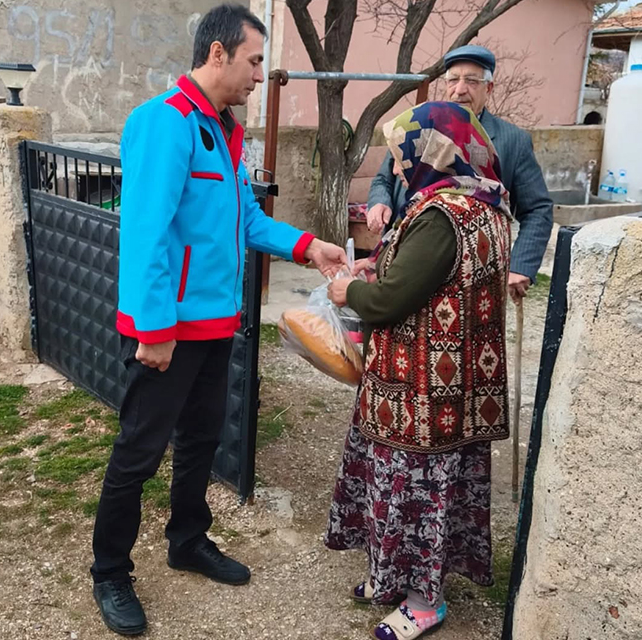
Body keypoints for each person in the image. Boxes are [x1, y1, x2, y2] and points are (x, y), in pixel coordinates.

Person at [90, 3, 348, 636]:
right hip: (167, 329)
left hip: (215, 323)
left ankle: (187, 540)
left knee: (203, 438)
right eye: (255, 60)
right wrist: (153, 331)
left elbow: (244, 220)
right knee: (139, 451)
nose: (261, 75)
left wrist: (306, 245)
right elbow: (146, 233)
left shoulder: (223, 130)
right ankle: (109, 571)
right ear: (218, 55)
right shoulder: (165, 123)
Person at [325, 101, 513, 640]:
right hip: (454, 385)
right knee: (423, 487)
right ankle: (393, 577)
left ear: (430, 151)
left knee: (416, 490)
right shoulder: (486, 202)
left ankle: (424, 601)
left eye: (403, 153)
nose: (400, 165)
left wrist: (349, 289)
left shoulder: (442, 214)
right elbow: (427, 276)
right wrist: (376, 265)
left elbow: (390, 301)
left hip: (423, 390)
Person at [363, 44, 552, 304]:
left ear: (489, 88)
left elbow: (538, 209)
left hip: (468, 280)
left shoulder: (512, 141)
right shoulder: (419, 127)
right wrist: (379, 201)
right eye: (453, 80)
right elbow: (386, 177)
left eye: (472, 81)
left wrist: (521, 265)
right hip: (401, 266)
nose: (459, 90)